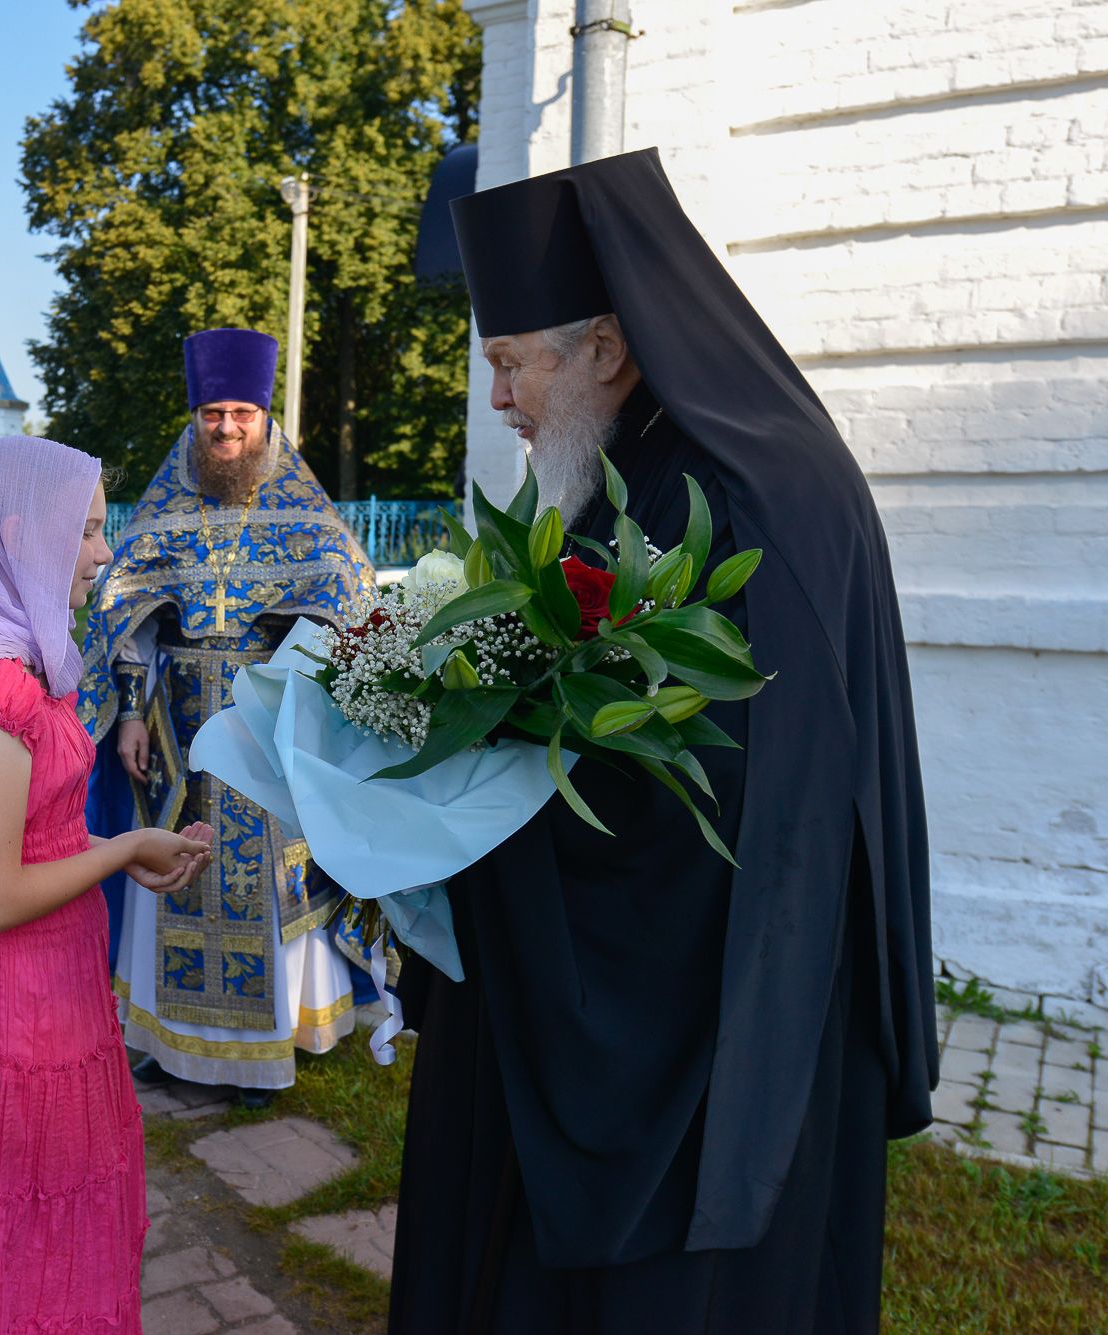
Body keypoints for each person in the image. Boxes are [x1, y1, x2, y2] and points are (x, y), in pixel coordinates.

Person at [387, 149, 934, 1333]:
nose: (498, 400)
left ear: (604, 347)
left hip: (717, 1010)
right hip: (707, 975)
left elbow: (727, 791)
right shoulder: (668, 456)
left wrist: (460, 821)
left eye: (509, 364)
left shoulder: (728, 492)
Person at [0, 435, 214, 1334]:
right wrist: (124, 845)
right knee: (25, 1253)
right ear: (21, 535)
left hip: (54, 993)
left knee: (51, 1244)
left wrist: (126, 852)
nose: (103, 552)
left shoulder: (22, 662)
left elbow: (39, 836)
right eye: (89, 530)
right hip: (11, 1012)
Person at [78, 328, 377, 1106]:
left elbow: (349, 590)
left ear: (264, 415)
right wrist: (130, 711)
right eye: (213, 414)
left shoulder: (300, 503)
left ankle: (259, 1050)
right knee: (173, 867)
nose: (226, 429)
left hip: (265, 719)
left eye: (242, 413)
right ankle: (165, 1032)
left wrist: (305, 666)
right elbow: (125, 608)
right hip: (177, 725)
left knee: (261, 878)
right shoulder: (166, 499)